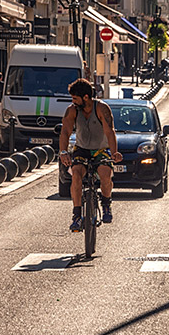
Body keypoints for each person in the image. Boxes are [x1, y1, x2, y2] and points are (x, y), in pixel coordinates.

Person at [59, 78, 123, 230]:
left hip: (101, 149)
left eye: (75, 98)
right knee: (76, 174)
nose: (73, 101)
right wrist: (63, 152)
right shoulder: (72, 110)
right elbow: (65, 131)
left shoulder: (101, 108)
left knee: (105, 174)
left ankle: (106, 204)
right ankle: (76, 215)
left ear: (85, 97)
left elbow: (109, 131)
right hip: (81, 149)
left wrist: (114, 153)